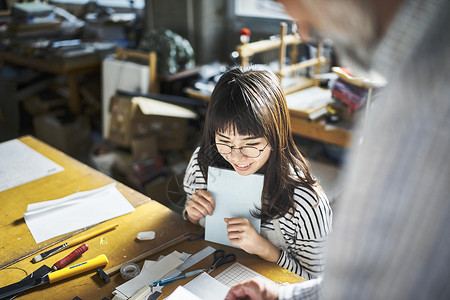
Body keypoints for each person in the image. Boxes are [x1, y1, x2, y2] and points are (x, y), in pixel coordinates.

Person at [225, 0, 450, 299]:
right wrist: (286, 297)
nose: (304, 33)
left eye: (293, 4)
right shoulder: (412, 85)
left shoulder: (428, 99)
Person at [183, 65, 332, 279]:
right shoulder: (202, 164)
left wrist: (267, 250)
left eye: (250, 145)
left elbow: (317, 282)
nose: (235, 156)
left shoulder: (306, 200)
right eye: (224, 142)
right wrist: (192, 215)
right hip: (213, 274)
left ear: (275, 136)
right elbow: (190, 226)